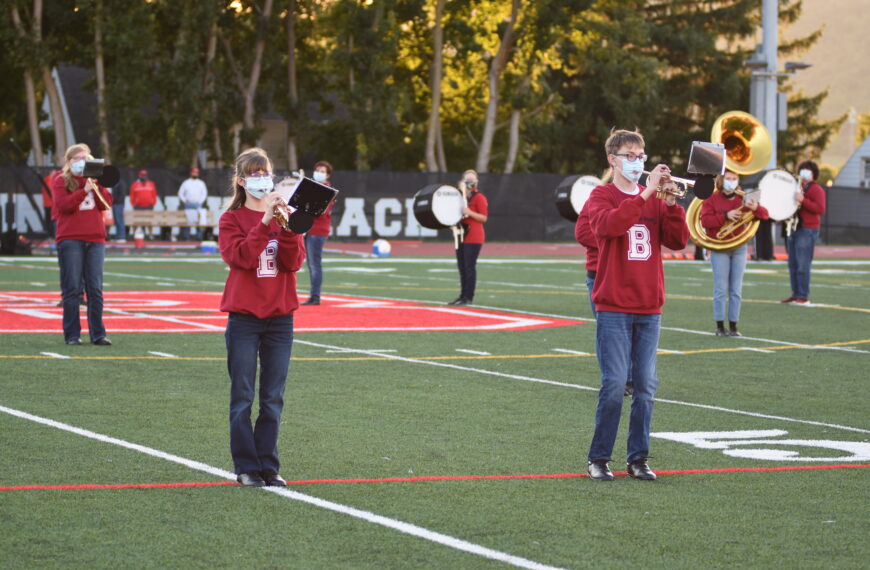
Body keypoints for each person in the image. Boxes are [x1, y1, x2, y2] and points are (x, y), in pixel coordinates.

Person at [585, 129, 689, 482]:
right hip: (614, 303)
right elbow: (610, 226)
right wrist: (647, 192)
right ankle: (599, 457)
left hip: (649, 305)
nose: (637, 162)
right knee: (615, 384)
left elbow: (677, 241)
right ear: (612, 159)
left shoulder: (656, 200)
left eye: (641, 156)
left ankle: (638, 458)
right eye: (629, 155)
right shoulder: (601, 195)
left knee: (645, 387)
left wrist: (671, 204)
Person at [218, 147, 306, 487]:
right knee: (243, 397)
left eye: (265, 172)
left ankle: (268, 465)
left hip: (280, 317)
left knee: (272, 398)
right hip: (244, 317)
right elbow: (241, 257)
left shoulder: (286, 215)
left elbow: (292, 263)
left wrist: (289, 227)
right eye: (254, 174)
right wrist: (265, 221)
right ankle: (246, 466)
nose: (262, 179)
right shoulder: (231, 219)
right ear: (241, 181)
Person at [50, 143, 113, 346]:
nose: (81, 162)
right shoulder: (60, 180)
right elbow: (64, 206)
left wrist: (97, 186)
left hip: (95, 238)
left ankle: (98, 334)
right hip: (71, 238)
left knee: (95, 289)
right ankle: (72, 334)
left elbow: (106, 203)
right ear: (69, 161)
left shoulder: (95, 179)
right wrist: (83, 191)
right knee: (72, 288)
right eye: (76, 158)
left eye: (84, 158)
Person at [700, 170, 769, 337]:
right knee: (720, 289)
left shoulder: (743, 198)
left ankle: (733, 326)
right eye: (728, 178)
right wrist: (725, 216)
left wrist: (756, 208)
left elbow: (765, 216)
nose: (731, 181)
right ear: (722, 180)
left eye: (734, 179)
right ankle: (719, 326)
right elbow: (705, 221)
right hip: (719, 247)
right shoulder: (711, 198)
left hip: (739, 247)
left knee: (736, 289)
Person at [781, 160, 826, 305]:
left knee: (802, 264)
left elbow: (820, 209)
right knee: (793, 264)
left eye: (807, 169)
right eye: (802, 169)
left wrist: (803, 200)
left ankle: (803, 295)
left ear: (814, 173)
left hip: (807, 229)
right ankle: (796, 294)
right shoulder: (797, 187)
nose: (804, 172)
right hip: (794, 228)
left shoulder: (816, 189)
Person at [447, 169, 488, 306]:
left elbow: (483, 218)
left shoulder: (479, 197)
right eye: (467, 180)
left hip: (474, 236)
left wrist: (470, 212)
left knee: (469, 267)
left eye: (472, 180)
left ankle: (468, 297)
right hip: (461, 235)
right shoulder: (459, 197)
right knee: (461, 267)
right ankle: (462, 296)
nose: (469, 182)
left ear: (477, 182)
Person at [301, 160, 335, 306]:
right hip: (309, 229)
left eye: (322, 171)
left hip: (318, 230)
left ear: (327, 175)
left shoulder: (328, 191)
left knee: (314, 264)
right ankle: (314, 295)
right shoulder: (313, 187)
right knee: (311, 264)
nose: (319, 173)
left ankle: (315, 296)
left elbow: (321, 212)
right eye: (318, 170)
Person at [178, 167, 209, 241]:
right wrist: (185, 201)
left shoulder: (201, 183)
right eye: (194, 172)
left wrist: (200, 202)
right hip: (188, 204)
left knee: (198, 221)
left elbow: (204, 193)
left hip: (197, 204)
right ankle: (186, 237)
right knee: (188, 221)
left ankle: (198, 237)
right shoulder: (186, 182)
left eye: (196, 173)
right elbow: (180, 193)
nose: (195, 174)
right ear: (191, 173)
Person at [130, 169, 158, 239]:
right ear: (139, 176)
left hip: (149, 206)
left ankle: (150, 235)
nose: (143, 177)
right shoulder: (135, 184)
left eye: (145, 175)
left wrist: (152, 203)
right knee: (136, 221)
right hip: (138, 206)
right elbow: (132, 196)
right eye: (142, 175)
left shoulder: (151, 184)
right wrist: (134, 204)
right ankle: (134, 234)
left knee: (149, 221)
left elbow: (154, 195)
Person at [111, 177, 127, 242]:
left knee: (119, 220)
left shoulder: (121, 183)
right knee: (116, 221)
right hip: (114, 204)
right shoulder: (114, 183)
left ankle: (122, 237)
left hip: (119, 204)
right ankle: (118, 236)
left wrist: (117, 201)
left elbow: (122, 194)